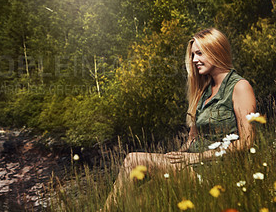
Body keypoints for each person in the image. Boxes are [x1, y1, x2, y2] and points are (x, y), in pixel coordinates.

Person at [105, 28, 256, 209]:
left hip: (216, 171)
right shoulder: (204, 91)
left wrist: (197, 158)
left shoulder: (240, 87)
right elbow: (193, 140)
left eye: (199, 53)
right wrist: (172, 157)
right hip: (191, 165)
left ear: (215, 50)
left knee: (133, 159)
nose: (194, 60)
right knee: (141, 197)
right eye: (193, 55)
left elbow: (246, 142)